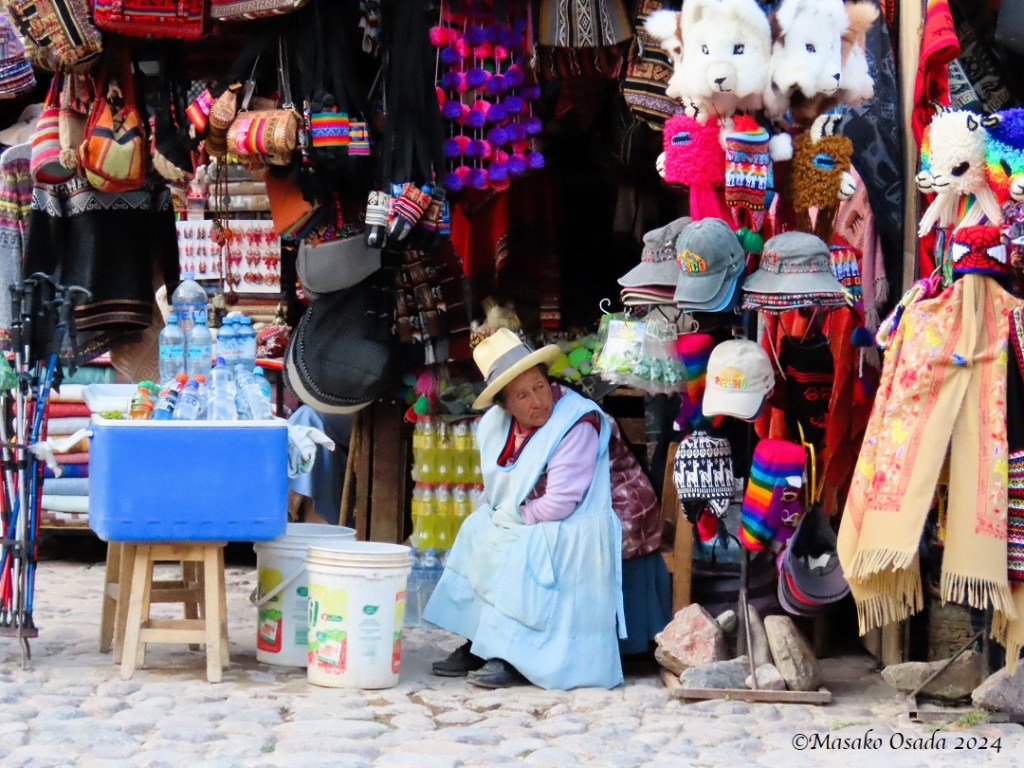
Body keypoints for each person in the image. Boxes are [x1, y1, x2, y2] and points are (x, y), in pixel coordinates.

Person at [423, 328, 626, 690]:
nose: (537, 401)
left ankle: (515, 655)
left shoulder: (576, 423)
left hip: (581, 518)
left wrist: (516, 519)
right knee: (476, 529)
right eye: (522, 395)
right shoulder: (496, 425)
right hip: (535, 511)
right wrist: (499, 517)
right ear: (505, 405)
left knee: (526, 546)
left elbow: (563, 502)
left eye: (540, 386)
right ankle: (480, 641)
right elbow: (499, 489)